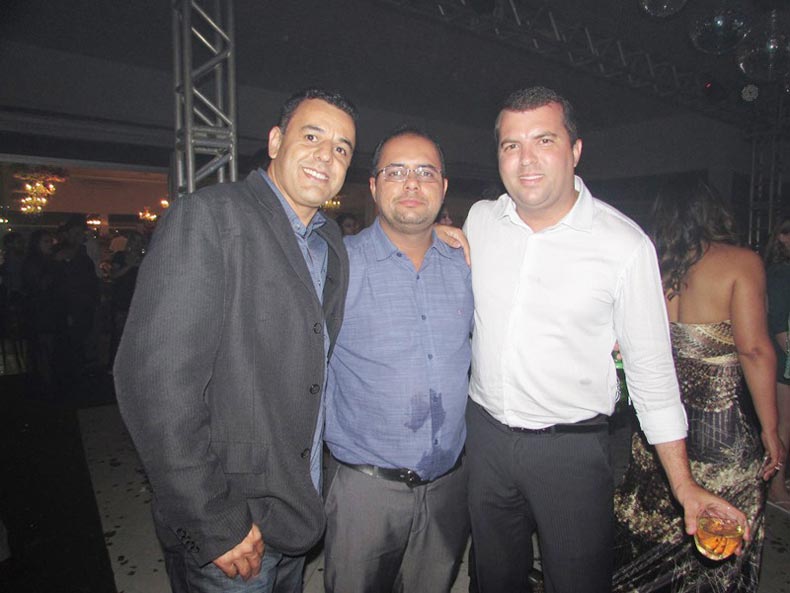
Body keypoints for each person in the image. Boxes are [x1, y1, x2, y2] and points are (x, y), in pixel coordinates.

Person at [462, 86, 746, 593]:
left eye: (544, 140)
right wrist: (432, 236)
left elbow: (652, 372)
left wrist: (683, 485)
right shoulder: (480, 221)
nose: (526, 159)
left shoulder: (624, 245)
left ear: (575, 150)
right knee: (493, 580)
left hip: (569, 454)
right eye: (511, 145)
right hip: (484, 439)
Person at [114, 88, 357, 593]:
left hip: (296, 507)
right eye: (312, 137)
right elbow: (155, 384)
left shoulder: (329, 242)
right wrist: (211, 521)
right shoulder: (210, 216)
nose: (326, 156)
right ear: (275, 141)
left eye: (341, 148)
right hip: (232, 525)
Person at [612, 178, 784, 592]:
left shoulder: (650, 268)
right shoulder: (740, 263)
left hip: (658, 434)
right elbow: (755, 351)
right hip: (719, 434)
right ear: (714, 213)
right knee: (722, 536)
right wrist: (772, 429)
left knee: (652, 530)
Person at [323, 126, 473, 593]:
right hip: (364, 494)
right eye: (396, 172)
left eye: (425, 172)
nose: (411, 183)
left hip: (449, 488)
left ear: (443, 187)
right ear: (373, 186)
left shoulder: (467, 265)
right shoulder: (336, 267)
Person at [764, 216, 790, 510]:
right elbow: (780, 326)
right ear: (783, 237)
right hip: (783, 361)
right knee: (782, 424)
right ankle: (776, 486)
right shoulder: (781, 274)